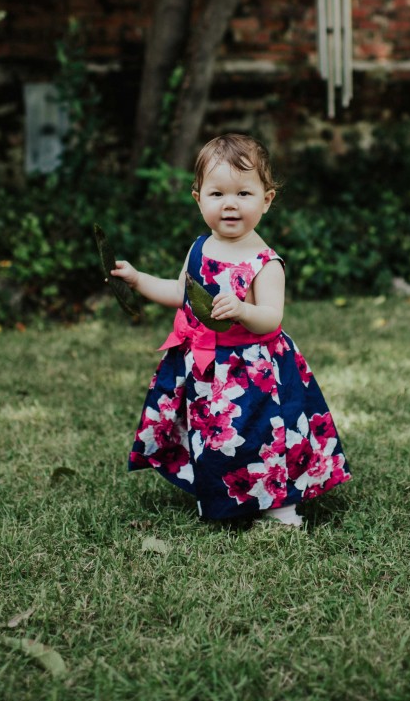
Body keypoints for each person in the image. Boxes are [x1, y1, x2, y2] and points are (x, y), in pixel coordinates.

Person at [112, 133, 350, 528]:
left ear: (266, 200)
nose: (230, 204)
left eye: (243, 193)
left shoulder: (265, 262)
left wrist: (242, 309)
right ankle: (223, 493)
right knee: (219, 436)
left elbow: (272, 318)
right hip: (206, 368)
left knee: (262, 433)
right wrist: (137, 279)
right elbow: (179, 292)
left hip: (253, 371)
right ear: (198, 198)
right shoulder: (199, 248)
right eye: (218, 193)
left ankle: (281, 505)